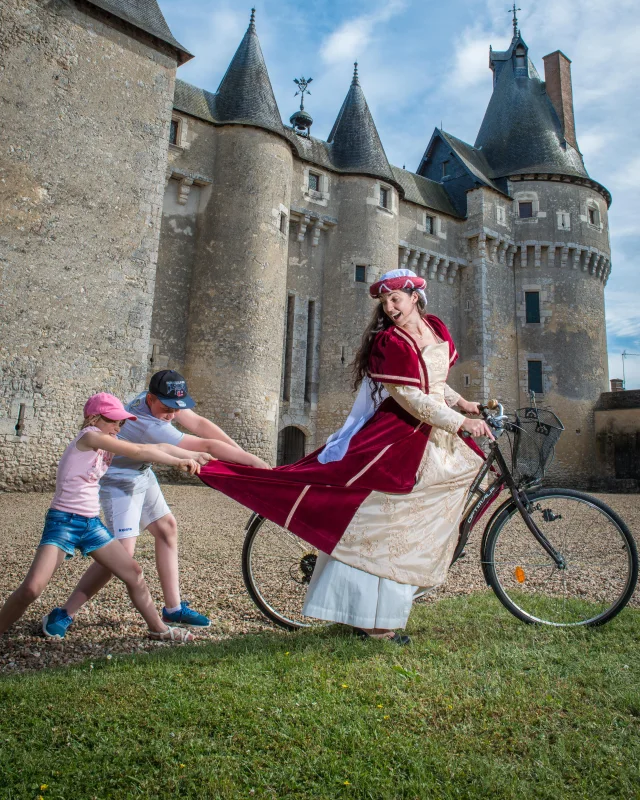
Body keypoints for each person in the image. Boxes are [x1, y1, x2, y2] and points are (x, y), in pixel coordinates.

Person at [197, 269, 494, 644]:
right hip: (401, 437)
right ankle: (374, 623)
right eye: (385, 302)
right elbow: (410, 398)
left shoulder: (434, 329)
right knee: (385, 522)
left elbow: (432, 384)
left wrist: (463, 403)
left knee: (426, 511)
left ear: (414, 297)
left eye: (395, 299)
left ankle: (385, 599)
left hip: (433, 431)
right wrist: (460, 423)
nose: (389, 307)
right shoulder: (390, 342)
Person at [44, 370, 269, 639]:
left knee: (166, 529)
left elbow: (200, 423)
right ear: (150, 399)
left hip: (141, 472)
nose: (172, 415)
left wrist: (242, 454)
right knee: (121, 553)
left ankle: (173, 609)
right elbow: (204, 444)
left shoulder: (158, 402)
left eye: (177, 408)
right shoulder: (147, 424)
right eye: (166, 408)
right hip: (119, 481)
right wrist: (254, 463)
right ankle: (65, 612)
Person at [0, 393, 208, 644]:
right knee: (32, 589)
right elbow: (140, 450)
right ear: (94, 418)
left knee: (133, 573)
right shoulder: (89, 437)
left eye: (121, 423)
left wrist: (193, 455)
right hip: (63, 522)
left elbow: (156, 448)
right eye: (113, 422)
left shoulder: (107, 439)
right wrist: (178, 462)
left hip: (90, 524)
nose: (117, 428)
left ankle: (159, 629)